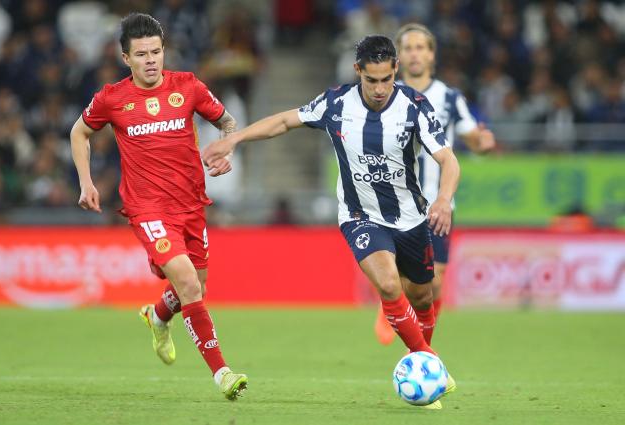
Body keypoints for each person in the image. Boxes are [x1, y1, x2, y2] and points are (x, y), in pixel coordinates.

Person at [203, 35, 458, 409]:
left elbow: (449, 161)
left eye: (386, 79)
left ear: (395, 72)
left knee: (422, 295)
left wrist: (443, 200)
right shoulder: (336, 103)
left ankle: (425, 359)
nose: (379, 88)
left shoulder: (414, 106)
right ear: (358, 71)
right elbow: (285, 121)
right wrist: (236, 139)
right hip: (359, 216)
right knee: (388, 284)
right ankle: (432, 367)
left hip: (410, 218)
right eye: (371, 80)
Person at [69, 13, 247, 400]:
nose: (151, 60)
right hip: (147, 208)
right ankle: (223, 374)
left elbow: (229, 122)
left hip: (191, 204)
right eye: (142, 54)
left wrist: (226, 147)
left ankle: (157, 315)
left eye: (156, 52)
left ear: (164, 51)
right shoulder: (112, 98)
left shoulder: (189, 87)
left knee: (196, 287)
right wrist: (85, 182)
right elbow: (79, 131)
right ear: (125, 58)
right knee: (185, 282)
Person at [372, 23, 497, 345]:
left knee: (435, 282)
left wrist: (482, 143)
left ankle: (422, 341)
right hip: (396, 200)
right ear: (399, 57)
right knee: (398, 276)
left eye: (421, 47)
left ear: (431, 55)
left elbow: (471, 134)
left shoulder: (450, 98)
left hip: (437, 202)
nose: (415, 53)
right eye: (409, 47)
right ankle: (391, 302)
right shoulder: (384, 93)